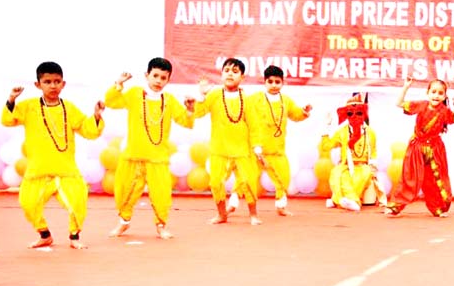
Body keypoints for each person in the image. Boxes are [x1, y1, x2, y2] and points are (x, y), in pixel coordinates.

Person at [1, 61, 105, 249]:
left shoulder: (69, 108)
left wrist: (96, 116)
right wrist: (11, 100)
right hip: (38, 170)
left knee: (77, 203)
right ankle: (45, 235)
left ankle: (74, 237)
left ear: (63, 84)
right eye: (47, 81)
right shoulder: (29, 106)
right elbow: (8, 120)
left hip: (66, 170)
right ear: (38, 84)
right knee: (28, 203)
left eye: (57, 81)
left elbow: (88, 130)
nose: (53, 86)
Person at [106, 57, 195, 239]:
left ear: (168, 80)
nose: (158, 81)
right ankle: (123, 223)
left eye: (163, 78)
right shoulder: (134, 94)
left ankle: (161, 226)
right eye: (155, 76)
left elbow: (186, 122)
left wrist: (191, 109)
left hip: (158, 159)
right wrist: (118, 84)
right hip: (133, 156)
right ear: (147, 75)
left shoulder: (169, 101)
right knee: (125, 192)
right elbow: (112, 102)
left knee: (161, 195)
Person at [229, 65, 312, 217]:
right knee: (245, 177)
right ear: (265, 82)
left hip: (276, 150)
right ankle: (233, 201)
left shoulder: (286, 101)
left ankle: (281, 206)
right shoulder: (255, 99)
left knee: (283, 178)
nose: (274, 85)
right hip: (256, 149)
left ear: (283, 83)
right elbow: (241, 109)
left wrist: (304, 112)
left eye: (277, 82)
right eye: (271, 81)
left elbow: (295, 114)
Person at [193, 58, 262, 225]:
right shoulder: (214, 95)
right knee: (216, 182)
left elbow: (254, 125)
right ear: (222, 74)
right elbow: (199, 113)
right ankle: (221, 214)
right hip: (219, 149)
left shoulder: (247, 99)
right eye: (227, 70)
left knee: (248, 181)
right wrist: (201, 95)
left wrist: (257, 147)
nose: (230, 74)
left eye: (235, 71)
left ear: (242, 77)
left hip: (242, 150)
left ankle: (253, 215)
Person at [385, 78, 454, 217]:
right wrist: (406, 87)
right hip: (417, 148)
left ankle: (438, 207)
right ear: (428, 93)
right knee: (410, 177)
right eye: (433, 92)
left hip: (435, 149)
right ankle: (396, 206)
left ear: (444, 96)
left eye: (440, 93)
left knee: (434, 179)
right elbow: (399, 103)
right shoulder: (421, 105)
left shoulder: (444, 111)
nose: (436, 95)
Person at [321, 93, 386, 211]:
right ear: (346, 115)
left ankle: (339, 200)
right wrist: (326, 126)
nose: (355, 116)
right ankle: (350, 201)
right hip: (345, 165)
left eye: (359, 113)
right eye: (350, 113)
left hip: (363, 166)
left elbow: (374, 150)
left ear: (364, 114)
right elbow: (326, 146)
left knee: (363, 175)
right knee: (337, 174)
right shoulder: (342, 132)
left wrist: (373, 163)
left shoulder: (370, 132)